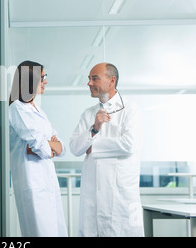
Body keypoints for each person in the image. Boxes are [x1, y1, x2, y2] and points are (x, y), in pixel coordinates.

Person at [70, 62, 144, 237]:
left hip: (121, 197)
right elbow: (75, 147)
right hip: (92, 199)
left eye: (94, 78)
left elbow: (129, 144)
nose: (89, 83)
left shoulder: (130, 110)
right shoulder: (88, 114)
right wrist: (94, 128)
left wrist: (92, 145)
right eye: (89, 79)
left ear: (112, 81)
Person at [9, 60, 68, 237]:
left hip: (47, 182)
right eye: (43, 77)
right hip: (32, 184)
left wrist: (50, 145)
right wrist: (49, 145)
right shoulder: (17, 108)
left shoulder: (37, 110)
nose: (46, 81)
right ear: (29, 80)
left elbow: (61, 148)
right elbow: (43, 148)